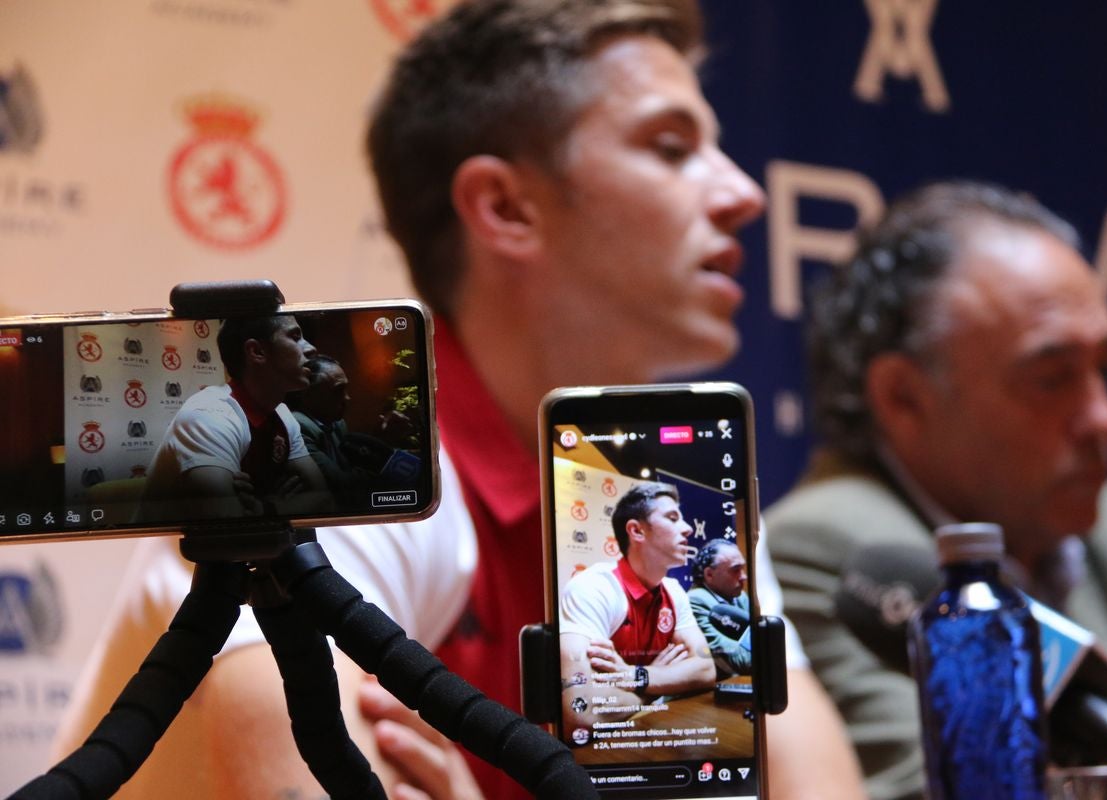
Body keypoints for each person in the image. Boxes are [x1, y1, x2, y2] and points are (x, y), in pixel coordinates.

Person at [54, 2, 865, 798]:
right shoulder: (334, 465)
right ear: (506, 207)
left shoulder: (669, 489)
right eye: (671, 147)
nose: (743, 193)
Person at [764, 180, 1107, 800]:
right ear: (904, 398)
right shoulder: (825, 550)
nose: (1106, 417)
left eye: (1103, 369)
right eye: (1052, 379)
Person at [136, 314, 330, 521]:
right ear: (257, 351)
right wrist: (284, 507)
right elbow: (227, 523)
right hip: (165, 548)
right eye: (295, 337)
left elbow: (325, 500)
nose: (311, 348)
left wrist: (267, 508)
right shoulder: (208, 415)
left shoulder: (282, 414)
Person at [560, 483, 716, 728]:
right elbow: (580, 710)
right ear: (637, 531)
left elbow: (705, 669)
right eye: (672, 518)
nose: (687, 529)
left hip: (653, 733)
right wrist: (651, 690)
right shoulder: (593, 588)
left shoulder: (674, 591)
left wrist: (633, 676)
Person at [285, 354, 420, 506]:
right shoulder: (298, 427)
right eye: (338, 391)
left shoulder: (336, 423)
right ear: (306, 394)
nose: (347, 398)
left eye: (345, 389)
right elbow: (343, 486)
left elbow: (351, 467)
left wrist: (380, 442)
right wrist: (383, 451)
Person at [688, 538, 752, 677]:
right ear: (709, 574)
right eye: (735, 570)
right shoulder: (695, 601)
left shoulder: (741, 597)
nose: (744, 577)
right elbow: (739, 661)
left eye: (742, 568)